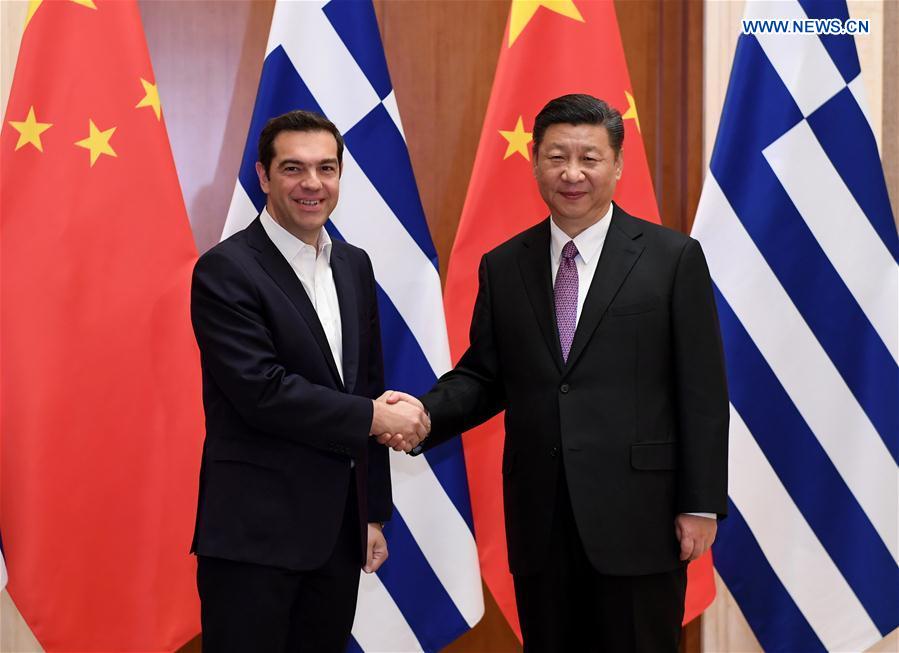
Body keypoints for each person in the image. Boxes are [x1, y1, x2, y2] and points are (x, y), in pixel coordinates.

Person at [383, 94, 728, 652]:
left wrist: (700, 502)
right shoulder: (504, 264)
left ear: (617, 165)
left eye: (589, 158)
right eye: (556, 157)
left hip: (641, 518)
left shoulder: (673, 258)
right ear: (535, 162)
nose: (572, 173)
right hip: (541, 519)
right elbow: (484, 376)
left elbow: (703, 392)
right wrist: (424, 415)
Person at [190, 110, 429, 652]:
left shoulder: (354, 266)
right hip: (254, 539)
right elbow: (261, 391)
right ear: (264, 175)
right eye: (294, 168)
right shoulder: (226, 270)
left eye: (327, 168)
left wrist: (371, 512)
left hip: (337, 536)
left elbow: (367, 385)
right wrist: (375, 416)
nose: (312, 184)